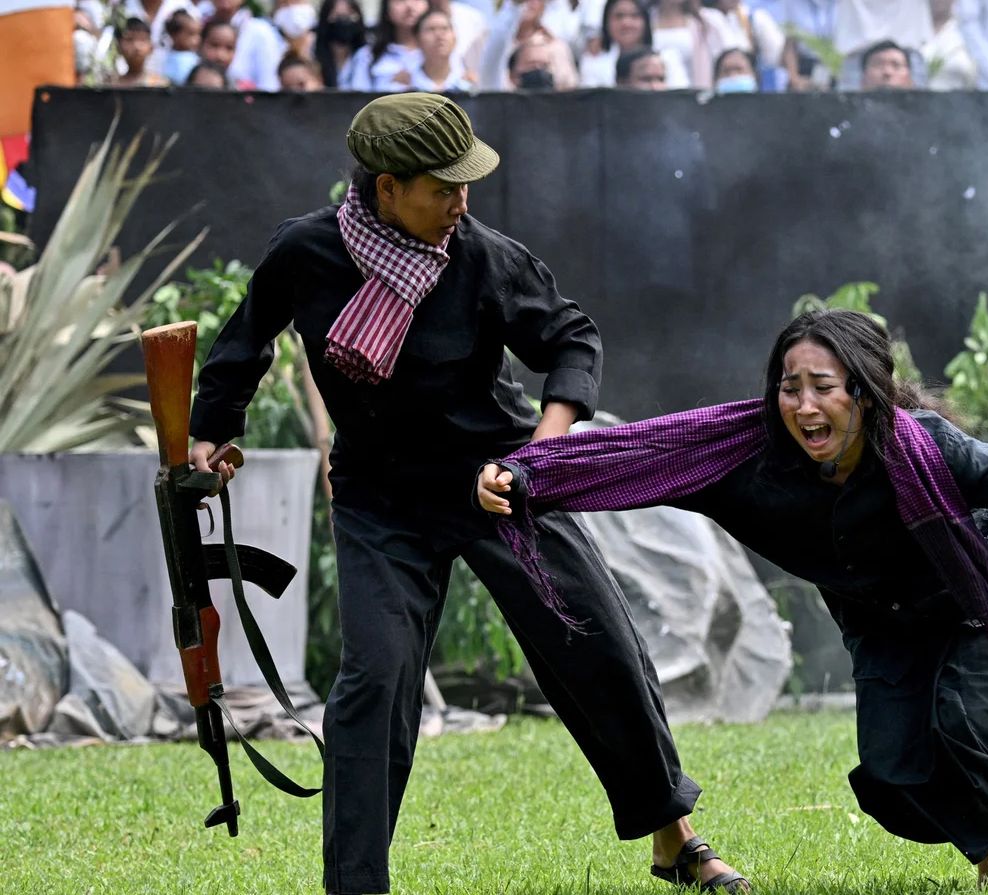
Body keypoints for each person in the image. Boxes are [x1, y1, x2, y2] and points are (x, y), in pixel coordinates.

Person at [475, 309, 988, 887]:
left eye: (824, 386)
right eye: (789, 386)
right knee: (893, 772)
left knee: (969, 716)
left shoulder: (929, 451)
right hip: (885, 617)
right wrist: (526, 472)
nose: (803, 405)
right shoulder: (745, 461)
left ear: (865, 390)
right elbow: (638, 455)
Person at [187, 94, 747, 895]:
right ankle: (356, 885)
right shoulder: (305, 253)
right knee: (375, 681)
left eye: (465, 184)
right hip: (381, 500)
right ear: (386, 189)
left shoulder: (482, 256)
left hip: (499, 482)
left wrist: (541, 462)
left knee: (600, 646)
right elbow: (244, 342)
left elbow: (570, 339)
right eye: (442, 187)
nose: (461, 201)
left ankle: (675, 840)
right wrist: (213, 431)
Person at [342, 0, 425, 92]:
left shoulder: (439, 52)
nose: (409, 6)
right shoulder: (368, 55)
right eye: (400, 1)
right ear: (386, 9)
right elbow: (357, 99)